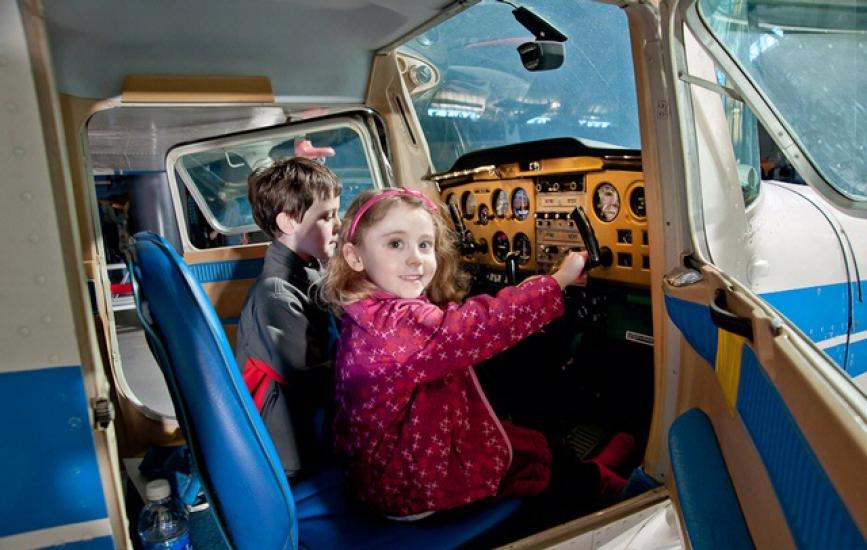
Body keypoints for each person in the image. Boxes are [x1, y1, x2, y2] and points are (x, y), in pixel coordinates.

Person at [320, 188, 629, 519]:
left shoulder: (365, 308)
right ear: (355, 257)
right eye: (396, 244)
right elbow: (479, 324)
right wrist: (559, 279)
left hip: (385, 467)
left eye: (424, 245)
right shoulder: (395, 324)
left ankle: (589, 471)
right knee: (541, 455)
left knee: (521, 434)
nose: (415, 258)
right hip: (414, 486)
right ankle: (612, 489)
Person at [235, 156, 342, 480]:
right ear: (288, 223)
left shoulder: (305, 270)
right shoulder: (276, 294)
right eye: (327, 216)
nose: (338, 224)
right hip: (293, 450)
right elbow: (314, 381)